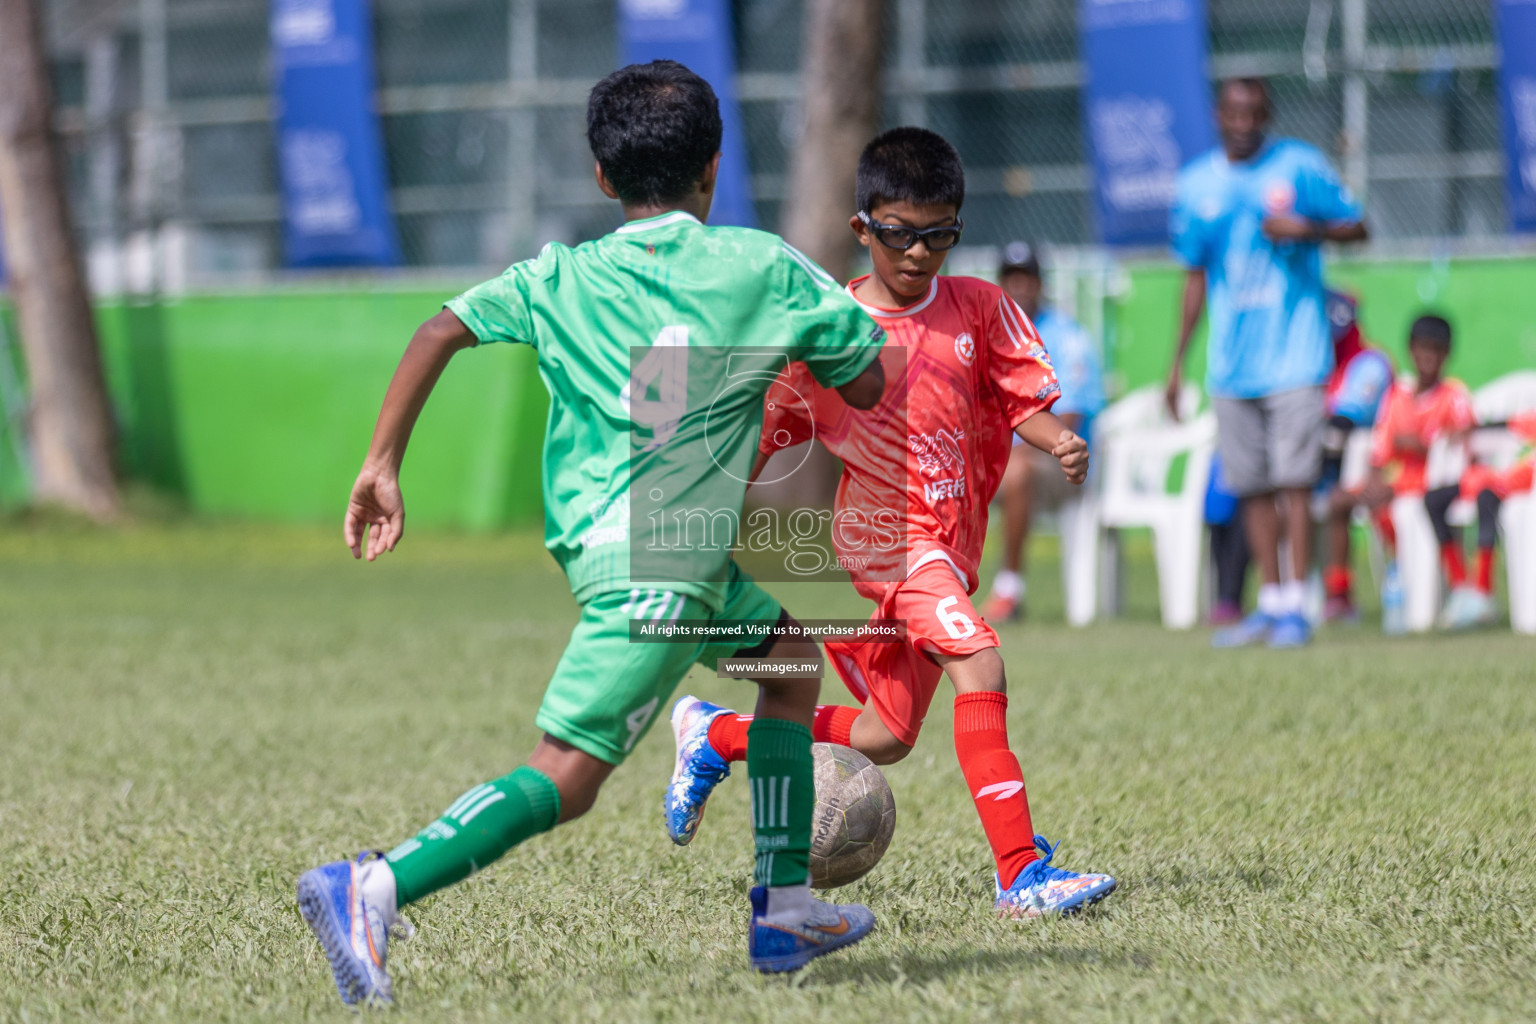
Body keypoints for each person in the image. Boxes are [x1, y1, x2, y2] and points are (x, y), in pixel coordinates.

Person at [294, 61, 890, 1004]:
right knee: (567, 778)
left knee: (787, 654)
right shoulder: (762, 265)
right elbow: (866, 382)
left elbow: (440, 329)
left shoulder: (559, 275)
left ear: (604, 178)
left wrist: (381, 464)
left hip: (623, 547)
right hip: (663, 565)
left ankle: (781, 908)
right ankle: (370, 886)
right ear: (715, 167)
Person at [662, 128, 1117, 920]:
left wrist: (1059, 441)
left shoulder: (981, 307)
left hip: (946, 547)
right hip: (884, 543)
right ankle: (1022, 874)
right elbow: (766, 431)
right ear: (863, 227)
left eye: (939, 234)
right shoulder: (831, 330)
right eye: (902, 234)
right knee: (981, 664)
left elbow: (1023, 404)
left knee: (885, 736)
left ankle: (717, 735)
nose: (919, 253)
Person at [1166, 77, 1368, 649]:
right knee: (1252, 486)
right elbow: (1195, 277)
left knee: (1296, 483)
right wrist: (1176, 365)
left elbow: (1361, 226)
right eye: (1235, 112)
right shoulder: (1196, 184)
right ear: (1218, 115)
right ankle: (1272, 602)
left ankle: (1298, 609)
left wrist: (1309, 230)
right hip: (1232, 364)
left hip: (1296, 357)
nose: (1245, 122)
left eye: (1255, 112)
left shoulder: (1300, 166)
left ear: (1267, 114)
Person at [981, 241, 1106, 623]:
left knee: (1018, 467)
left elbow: (1070, 422)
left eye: (1027, 278)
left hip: (1062, 467)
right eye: (1011, 278)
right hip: (999, 460)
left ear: (1040, 284)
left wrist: (1020, 446)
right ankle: (936, 592)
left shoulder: (1068, 337)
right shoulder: (988, 336)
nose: (1019, 286)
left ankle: (1009, 589)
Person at [1365, 315, 1475, 625]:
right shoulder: (1396, 398)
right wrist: (1374, 481)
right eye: (1421, 348)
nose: (1427, 356)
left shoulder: (1454, 395)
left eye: (1435, 349)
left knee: (1409, 508)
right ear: (1410, 350)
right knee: (1356, 501)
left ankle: (1451, 590)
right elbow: (1380, 450)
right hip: (1398, 487)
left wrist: (1424, 446)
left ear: (1446, 354)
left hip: (1436, 489)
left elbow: (1465, 442)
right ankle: (1394, 577)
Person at [1317, 289, 1395, 622]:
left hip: (1368, 468)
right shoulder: (1316, 361)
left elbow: (1342, 426)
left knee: (1337, 499)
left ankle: (1354, 591)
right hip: (1322, 467)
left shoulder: (1370, 363)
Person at [1434, 409, 1536, 628]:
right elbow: (1511, 423)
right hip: (1489, 477)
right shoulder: (1529, 419)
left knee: (1486, 498)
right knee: (1433, 500)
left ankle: (1482, 593)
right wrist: (1471, 429)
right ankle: (1460, 585)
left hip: (1512, 489)